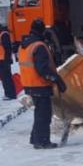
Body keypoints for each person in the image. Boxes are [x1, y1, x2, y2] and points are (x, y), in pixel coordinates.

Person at [19, 19, 66, 149]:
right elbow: (43, 69)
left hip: (29, 83)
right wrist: (56, 79)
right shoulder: (38, 46)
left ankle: (36, 139)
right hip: (39, 84)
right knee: (44, 115)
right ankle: (42, 141)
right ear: (42, 31)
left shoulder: (25, 44)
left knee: (39, 113)